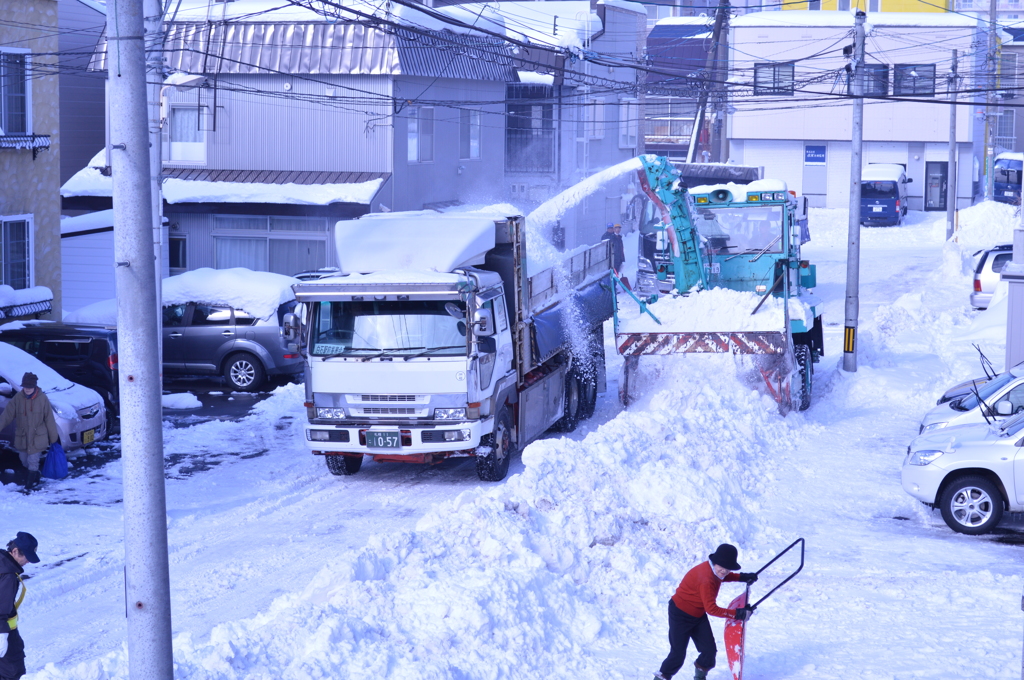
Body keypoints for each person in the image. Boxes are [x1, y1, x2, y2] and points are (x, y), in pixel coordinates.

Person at [654, 544, 758, 680]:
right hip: (680, 614)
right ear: (715, 562)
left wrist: (742, 577)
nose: (724, 571)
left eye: (728, 569)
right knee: (677, 654)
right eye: (722, 567)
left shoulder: (714, 570)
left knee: (709, 652)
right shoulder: (706, 579)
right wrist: (737, 614)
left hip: (697, 614)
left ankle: (699, 677)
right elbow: (712, 609)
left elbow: (722, 576)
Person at [0, 373, 58, 491]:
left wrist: (53, 438)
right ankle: (35, 474)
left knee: (33, 460)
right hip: (22, 436)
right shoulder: (18, 398)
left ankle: (29, 485)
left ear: (35, 387)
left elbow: (49, 419)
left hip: (38, 436)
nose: (27, 390)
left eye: (30, 387)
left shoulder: (42, 399)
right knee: (24, 460)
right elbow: (7, 415)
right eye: (25, 387)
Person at [0, 532, 39, 680]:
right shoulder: (8, 575)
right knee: (13, 671)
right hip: (4, 629)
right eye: (26, 556)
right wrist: (2, 634)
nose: (28, 561)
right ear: (15, 551)